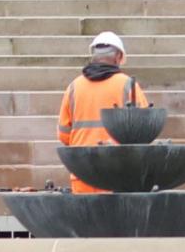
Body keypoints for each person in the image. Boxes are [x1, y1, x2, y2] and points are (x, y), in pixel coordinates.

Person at [57, 32, 146, 191]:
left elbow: (63, 134)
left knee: (86, 215)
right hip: (117, 171)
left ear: (94, 57)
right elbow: (144, 128)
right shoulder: (127, 85)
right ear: (118, 56)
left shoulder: (74, 87)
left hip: (82, 171)